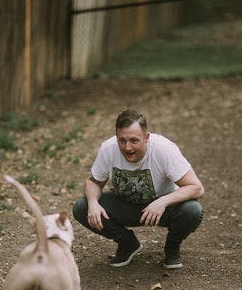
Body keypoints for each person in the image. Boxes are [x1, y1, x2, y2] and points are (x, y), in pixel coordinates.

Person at [72, 110, 204, 269]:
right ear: (116, 137)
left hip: (163, 209)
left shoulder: (163, 149)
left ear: (146, 137)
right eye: (122, 140)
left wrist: (162, 202)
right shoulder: (108, 148)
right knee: (82, 207)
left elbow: (196, 187)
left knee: (192, 210)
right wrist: (93, 203)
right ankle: (127, 243)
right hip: (125, 205)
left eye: (134, 140)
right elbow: (93, 182)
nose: (127, 147)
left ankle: (172, 246)